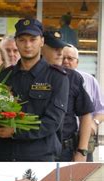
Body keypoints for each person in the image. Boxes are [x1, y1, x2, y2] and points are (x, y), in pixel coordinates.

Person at [0, 18, 69, 161]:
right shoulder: (5, 74)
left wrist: (15, 132)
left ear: (42, 42)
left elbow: (52, 122)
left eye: (33, 39)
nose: (27, 45)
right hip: (4, 154)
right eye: (22, 40)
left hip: (39, 155)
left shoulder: (57, 77)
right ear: (16, 42)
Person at [41, 31, 93, 162]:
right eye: (55, 48)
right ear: (41, 48)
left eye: (61, 48)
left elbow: (86, 114)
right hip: (37, 147)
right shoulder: (31, 75)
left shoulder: (73, 77)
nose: (60, 53)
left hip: (65, 150)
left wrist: (82, 151)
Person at [62, 45, 104, 161]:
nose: (65, 61)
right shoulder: (53, 79)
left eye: (70, 58)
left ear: (77, 62)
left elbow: (101, 110)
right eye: (63, 58)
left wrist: (94, 123)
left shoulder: (90, 80)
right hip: (63, 140)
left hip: (83, 139)